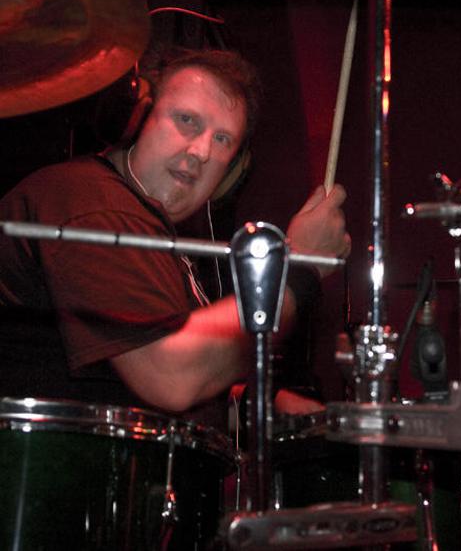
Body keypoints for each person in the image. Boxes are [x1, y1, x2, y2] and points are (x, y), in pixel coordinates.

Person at [0, 48, 351, 431]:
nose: (201, 151)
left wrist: (254, 404)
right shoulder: (93, 205)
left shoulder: (146, 225)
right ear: (137, 121)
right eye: (186, 120)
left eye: (222, 139)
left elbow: (126, 386)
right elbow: (170, 377)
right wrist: (297, 268)